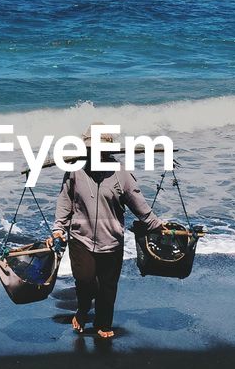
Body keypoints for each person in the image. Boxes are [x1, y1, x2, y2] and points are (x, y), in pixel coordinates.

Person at [49, 130, 165, 340]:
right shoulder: (75, 171)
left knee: (108, 287)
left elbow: (139, 205)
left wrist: (156, 225)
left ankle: (103, 323)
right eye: (91, 149)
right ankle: (83, 309)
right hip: (80, 239)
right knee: (85, 281)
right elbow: (64, 202)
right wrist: (58, 229)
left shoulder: (121, 174)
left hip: (111, 240)